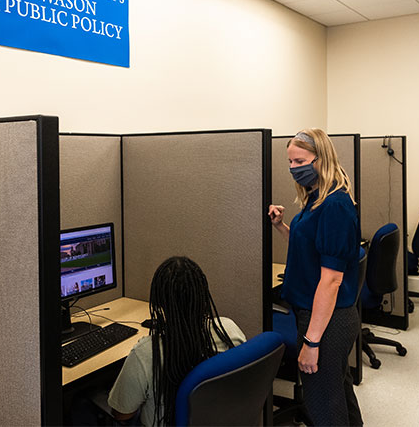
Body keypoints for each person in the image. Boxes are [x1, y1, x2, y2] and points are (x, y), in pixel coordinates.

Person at [269, 129, 363, 426]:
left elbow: (332, 281)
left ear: (322, 159)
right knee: (337, 391)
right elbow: (311, 249)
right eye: (291, 163)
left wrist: (311, 342)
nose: (294, 168)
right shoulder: (317, 199)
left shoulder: (334, 205)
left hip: (326, 320)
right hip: (320, 315)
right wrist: (283, 226)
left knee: (322, 403)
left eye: (300, 161)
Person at [107, 256, 246, 426]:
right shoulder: (229, 329)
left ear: (159, 303)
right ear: (203, 293)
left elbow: (122, 415)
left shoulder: (147, 354)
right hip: (223, 420)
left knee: (82, 404)